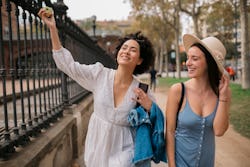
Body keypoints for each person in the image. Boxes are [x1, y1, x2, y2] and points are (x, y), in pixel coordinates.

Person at [38, 8, 165, 167]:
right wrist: (52, 29)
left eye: (133, 50)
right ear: (118, 53)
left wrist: (150, 107)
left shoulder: (142, 89)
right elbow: (67, 65)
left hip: (126, 149)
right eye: (124, 48)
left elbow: (159, 122)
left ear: (140, 60)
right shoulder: (99, 75)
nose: (126, 52)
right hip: (97, 146)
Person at [166, 34, 231, 167]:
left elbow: (219, 131)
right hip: (180, 163)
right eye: (188, 58)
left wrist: (223, 96)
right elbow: (170, 131)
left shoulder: (222, 93)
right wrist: (172, 165)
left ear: (209, 62)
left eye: (194, 58)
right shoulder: (178, 90)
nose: (188, 63)